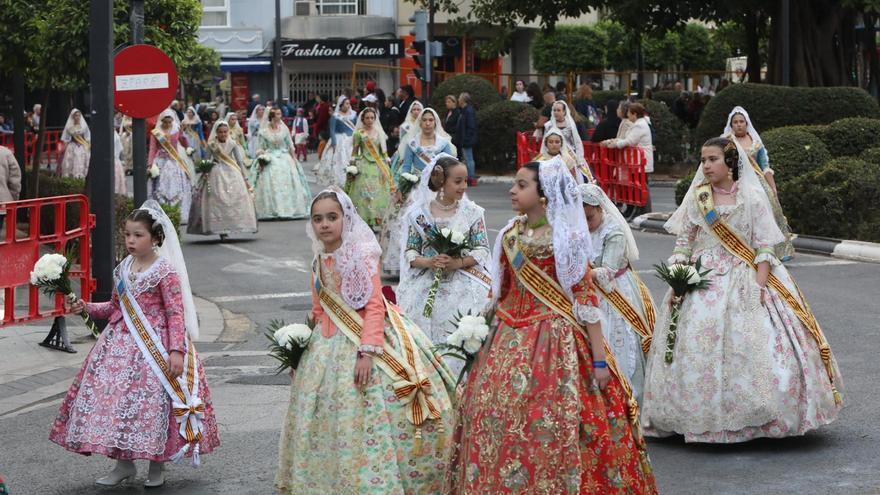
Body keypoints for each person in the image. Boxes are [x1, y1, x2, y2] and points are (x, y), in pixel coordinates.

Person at [445, 157, 657, 494]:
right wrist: (477, 337)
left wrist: (600, 361)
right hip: (506, 338)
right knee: (497, 418)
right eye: (514, 184)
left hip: (557, 341)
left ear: (544, 196)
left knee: (558, 419)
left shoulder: (566, 239)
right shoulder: (510, 235)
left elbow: (585, 298)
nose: (512, 190)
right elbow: (500, 294)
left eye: (521, 185)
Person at [641, 137, 843, 443]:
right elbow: (684, 243)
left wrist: (759, 286)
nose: (706, 166)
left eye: (712, 159)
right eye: (703, 160)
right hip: (703, 278)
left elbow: (764, 245)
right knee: (696, 347)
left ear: (730, 162)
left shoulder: (752, 198)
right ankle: (700, 417)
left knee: (753, 343)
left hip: (746, 275)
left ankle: (759, 418)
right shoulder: (699, 198)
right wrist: (679, 276)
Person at [275, 187, 455, 494]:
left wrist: (367, 352)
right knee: (324, 415)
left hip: (365, 341)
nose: (325, 224)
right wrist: (302, 355)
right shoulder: (319, 260)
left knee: (369, 411)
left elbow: (374, 306)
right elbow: (318, 310)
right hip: (325, 347)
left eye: (332, 217)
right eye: (318, 219)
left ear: (346, 219)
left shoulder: (360, 256)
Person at [51, 203, 220, 488]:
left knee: (155, 405)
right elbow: (113, 308)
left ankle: (157, 464)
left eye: (138, 235)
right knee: (118, 405)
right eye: (127, 234)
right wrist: (85, 306)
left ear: (155, 238)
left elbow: (175, 313)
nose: (130, 240)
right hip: (119, 346)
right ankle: (124, 464)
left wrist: (176, 351)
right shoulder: (123, 269)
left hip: (157, 346)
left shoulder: (165, 271)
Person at [397, 154, 490, 369]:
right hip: (426, 281)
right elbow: (410, 252)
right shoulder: (418, 215)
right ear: (441, 182)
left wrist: (458, 262)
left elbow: (482, 249)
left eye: (465, 181)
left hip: (464, 278)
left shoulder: (473, 212)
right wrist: (429, 262)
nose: (463, 186)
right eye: (457, 181)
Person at [580, 183, 655, 402]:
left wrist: (578, 272)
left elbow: (608, 271)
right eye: (581, 218)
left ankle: (624, 399)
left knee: (620, 343)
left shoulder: (614, 231)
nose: (586, 224)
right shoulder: (579, 228)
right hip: (589, 291)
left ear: (600, 209)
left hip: (616, 290)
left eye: (590, 218)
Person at [379, 108, 457, 278]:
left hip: (437, 189)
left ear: (435, 122)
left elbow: (450, 166)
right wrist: (400, 189)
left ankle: (441, 262)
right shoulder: (412, 143)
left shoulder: (443, 144)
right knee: (405, 222)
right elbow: (406, 167)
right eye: (424, 120)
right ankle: (409, 262)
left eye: (431, 120)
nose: (427, 123)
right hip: (415, 188)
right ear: (419, 123)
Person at [722, 106, 794, 261]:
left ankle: (769, 249)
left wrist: (772, 187)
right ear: (731, 124)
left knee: (766, 212)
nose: (739, 124)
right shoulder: (726, 142)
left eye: (742, 121)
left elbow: (765, 166)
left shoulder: (756, 143)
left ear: (747, 123)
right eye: (735, 122)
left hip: (756, 182)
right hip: (734, 182)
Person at [188, 119, 258, 240]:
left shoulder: (233, 144)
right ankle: (220, 229)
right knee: (217, 200)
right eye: (220, 132)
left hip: (232, 172)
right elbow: (207, 159)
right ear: (216, 132)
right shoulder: (212, 145)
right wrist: (205, 171)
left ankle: (236, 225)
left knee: (236, 198)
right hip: (216, 172)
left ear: (228, 132)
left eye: (225, 132)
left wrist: (244, 177)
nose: (223, 134)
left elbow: (239, 161)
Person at [249, 107, 312, 220]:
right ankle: (272, 209)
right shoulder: (264, 132)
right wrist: (262, 156)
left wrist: (294, 159)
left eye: (280, 114)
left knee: (287, 180)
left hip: (284, 157)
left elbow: (290, 144)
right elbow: (260, 148)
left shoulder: (284, 129)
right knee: (271, 178)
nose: (280, 116)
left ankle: (288, 208)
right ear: (272, 117)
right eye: (278, 114)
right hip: (270, 156)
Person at [345, 107, 393, 230]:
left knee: (378, 194)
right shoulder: (358, 134)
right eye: (367, 118)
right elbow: (355, 151)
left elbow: (383, 151)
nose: (370, 120)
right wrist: (352, 163)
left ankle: (376, 218)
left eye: (372, 117)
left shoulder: (379, 133)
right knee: (364, 195)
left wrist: (386, 160)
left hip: (378, 166)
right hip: (364, 165)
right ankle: (366, 220)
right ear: (363, 119)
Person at [603, 102, 654, 174]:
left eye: (629, 113)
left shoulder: (639, 126)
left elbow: (629, 141)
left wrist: (615, 144)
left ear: (635, 114)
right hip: (639, 161)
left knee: (640, 182)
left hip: (640, 161)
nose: (627, 115)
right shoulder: (639, 124)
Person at [543, 100, 590, 179]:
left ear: (564, 112)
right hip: (554, 155)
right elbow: (545, 142)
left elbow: (577, 142)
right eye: (554, 110)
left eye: (558, 110)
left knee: (582, 177)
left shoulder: (571, 124)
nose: (556, 112)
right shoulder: (549, 125)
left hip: (571, 156)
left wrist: (579, 158)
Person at [317, 96, 357, 186]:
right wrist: (334, 143)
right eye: (346, 104)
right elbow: (332, 130)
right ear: (341, 105)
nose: (348, 105)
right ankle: (340, 180)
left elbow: (356, 127)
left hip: (351, 140)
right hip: (340, 141)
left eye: (349, 103)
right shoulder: (335, 116)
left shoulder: (353, 114)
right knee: (339, 161)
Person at [59, 109, 91, 179]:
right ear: (73, 117)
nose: (78, 117)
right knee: (70, 162)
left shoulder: (84, 126)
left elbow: (87, 137)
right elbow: (66, 138)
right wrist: (64, 147)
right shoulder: (69, 127)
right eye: (76, 115)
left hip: (82, 146)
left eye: (79, 115)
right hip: (72, 146)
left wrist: (88, 145)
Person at [455, 93, 478, 186]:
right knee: (467, 158)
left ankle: (471, 178)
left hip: (467, 140)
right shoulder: (464, 110)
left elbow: (471, 126)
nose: (458, 99)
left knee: (469, 159)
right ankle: (469, 177)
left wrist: (466, 139)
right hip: (465, 139)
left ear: (463, 100)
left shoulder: (468, 111)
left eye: (459, 98)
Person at [314, 94, 332, 159]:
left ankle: (322, 157)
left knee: (323, 144)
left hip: (324, 128)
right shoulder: (320, 106)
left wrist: (318, 128)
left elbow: (322, 119)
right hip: (323, 127)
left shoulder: (324, 106)